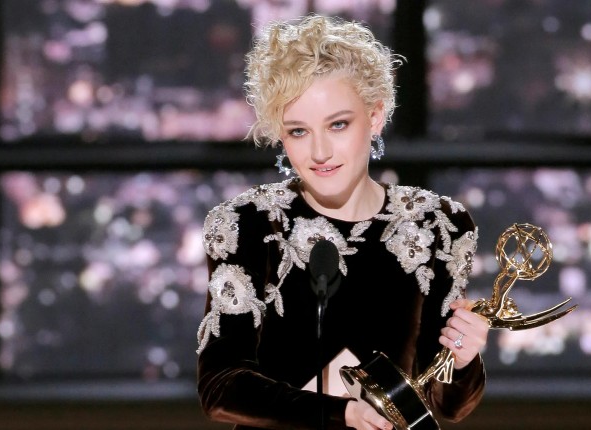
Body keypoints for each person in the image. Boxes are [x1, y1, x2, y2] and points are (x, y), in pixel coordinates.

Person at [196, 14, 490, 430]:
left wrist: (462, 358)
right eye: (298, 131)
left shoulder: (436, 225)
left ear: (375, 116)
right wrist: (345, 413)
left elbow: (447, 405)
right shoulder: (249, 225)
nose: (319, 152)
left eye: (338, 125)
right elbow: (221, 387)